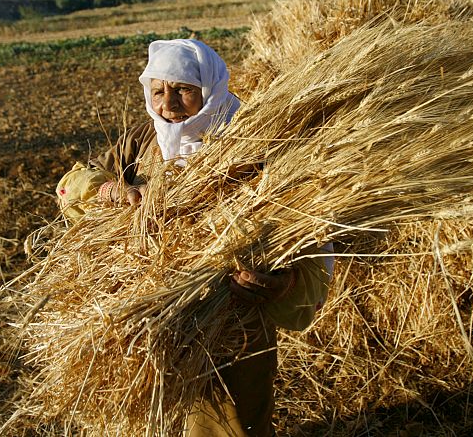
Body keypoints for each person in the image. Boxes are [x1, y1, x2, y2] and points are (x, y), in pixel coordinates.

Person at [55, 38, 331, 436]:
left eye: (183, 90)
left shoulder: (253, 142)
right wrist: (107, 190)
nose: (167, 104)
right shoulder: (141, 141)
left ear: (210, 89)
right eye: (158, 91)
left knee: (230, 423)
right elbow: (74, 186)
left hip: (234, 321)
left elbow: (308, 230)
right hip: (152, 316)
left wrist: (283, 285)